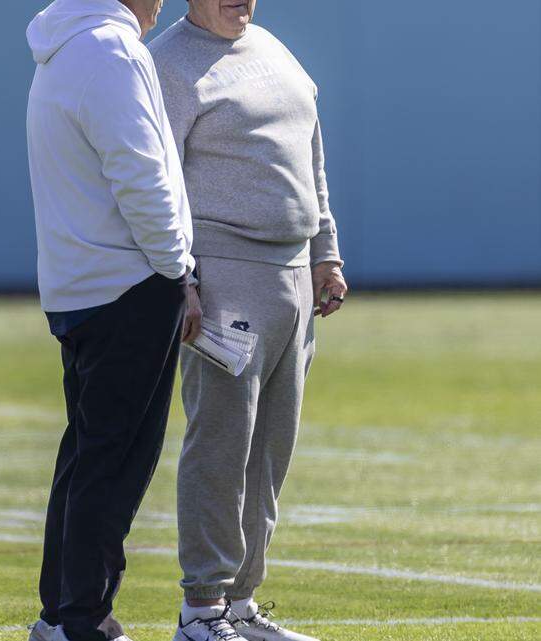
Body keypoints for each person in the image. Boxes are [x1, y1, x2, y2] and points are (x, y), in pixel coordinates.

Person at [147, 2, 349, 640]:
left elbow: (309, 160)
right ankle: (201, 609)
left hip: (292, 275)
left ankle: (240, 606)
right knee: (221, 444)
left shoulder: (272, 49)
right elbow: (158, 183)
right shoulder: (167, 64)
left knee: (271, 452)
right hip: (224, 272)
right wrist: (181, 280)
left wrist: (325, 251)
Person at [25, 1, 197, 640]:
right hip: (131, 286)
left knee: (88, 454)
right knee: (115, 463)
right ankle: (84, 620)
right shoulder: (111, 50)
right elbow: (143, 175)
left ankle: (60, 615)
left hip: (82, 288)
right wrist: (179, 268)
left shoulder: (67, 45)